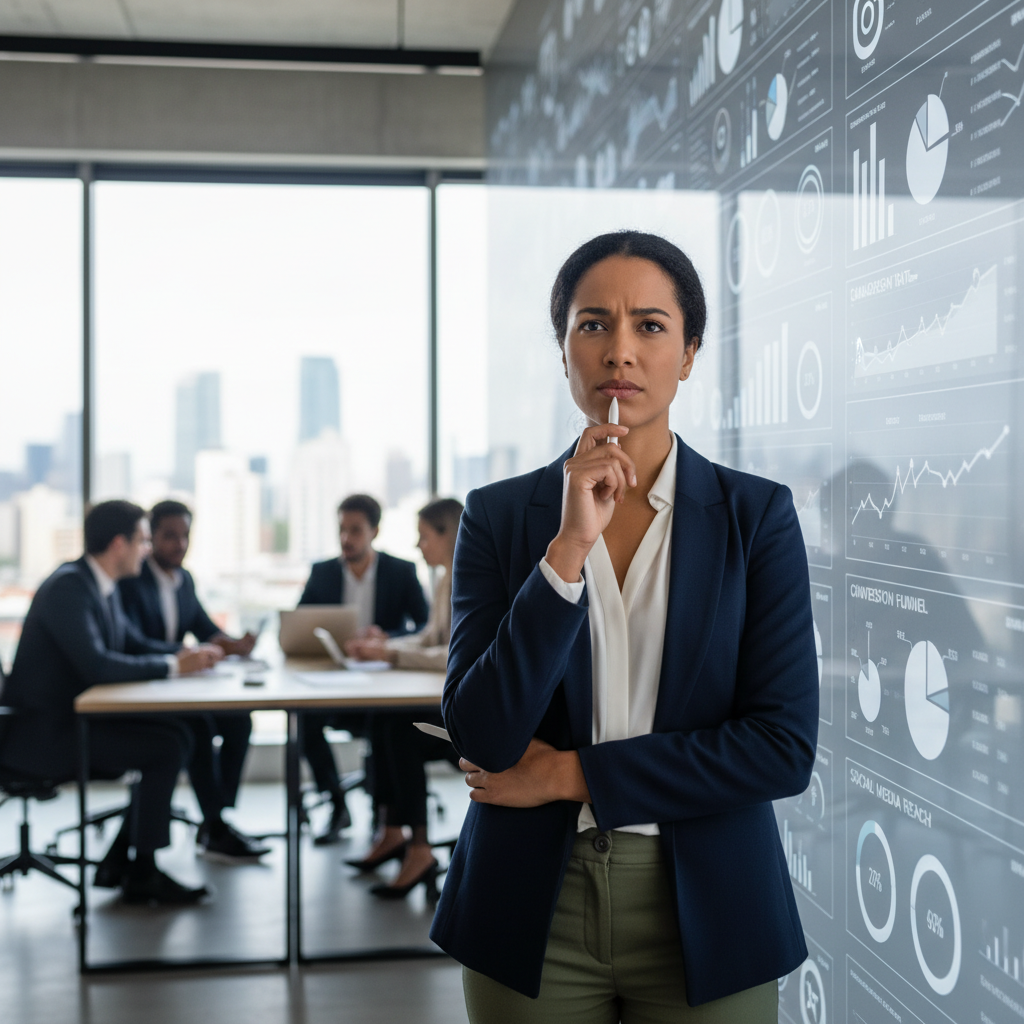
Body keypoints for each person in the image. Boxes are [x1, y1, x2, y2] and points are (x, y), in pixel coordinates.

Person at [430, 232, 819, 1022]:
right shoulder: (502, 517)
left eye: (649, 326)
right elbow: (483, 734)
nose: (620, 352)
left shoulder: (756, 516)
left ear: (690, 352)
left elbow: (781, 749)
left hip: (711, 898)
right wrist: (566, 552)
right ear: (563, 348)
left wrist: (573, 776)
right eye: (592, 324)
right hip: (527, 903)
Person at [0, 500, 223, 905]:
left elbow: (132, 644)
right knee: (167, 746)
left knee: (181, 732)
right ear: (119, 544)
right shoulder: (70, 588)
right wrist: (174, 666)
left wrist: (191, 656)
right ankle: (141, 871)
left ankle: (124, 860)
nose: (147, 549)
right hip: (45, 736)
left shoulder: (99, 584)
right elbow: (98, 665)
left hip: (76, 722)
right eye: (142, 540)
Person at [118, 499, 269, 863]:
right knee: (198, 727)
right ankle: (216, 826)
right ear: (151, 537)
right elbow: (133, 642)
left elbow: (204, 628)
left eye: (185, 536)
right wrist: (182, 654)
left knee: (238, 722)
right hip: (144, 690)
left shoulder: (184, 580)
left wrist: (233, 644)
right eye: (170, 536)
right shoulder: (132, 580)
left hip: (179, 687)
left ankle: (217, 816)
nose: (179, 544)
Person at [343, 497, 463, 897]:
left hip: (469, 715)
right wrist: (387, 644)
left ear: (449, 535)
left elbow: (453, 654)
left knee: (402, 733)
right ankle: (393, 832)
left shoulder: (470, 579)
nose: (418, 546)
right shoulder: (448, 577)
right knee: (384, 720)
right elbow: (430, 638)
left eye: (424, 537)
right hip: (446, 699)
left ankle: (420, 848)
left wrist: (391, 653)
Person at [298, 493, 429, 844]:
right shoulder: (322, 573)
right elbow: (299, 624)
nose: (346, 538)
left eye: (355, 530)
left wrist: (385, 639)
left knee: (386, 723)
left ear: (374, 531)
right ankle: (336, 802)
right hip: (336, 684)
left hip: (380, 685)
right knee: (305, 720)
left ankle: (383, 814)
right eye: (342, 529)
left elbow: (425, 628)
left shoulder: (400, 572)